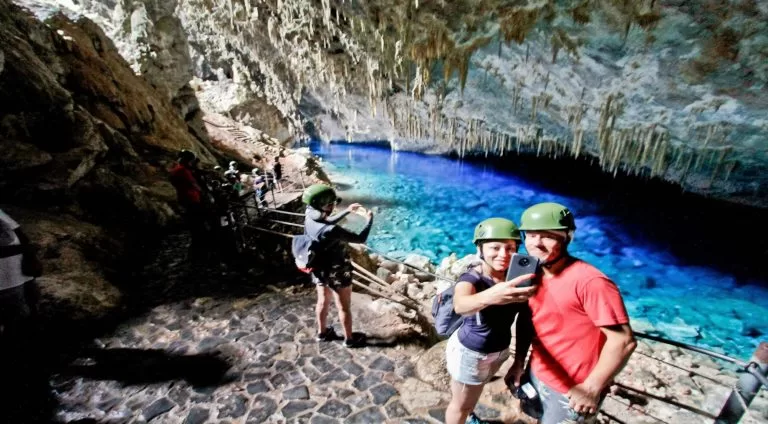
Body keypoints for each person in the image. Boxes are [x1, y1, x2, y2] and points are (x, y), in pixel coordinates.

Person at [518, 202, 636, 423]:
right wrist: (520, 364)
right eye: (531, 235)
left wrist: (592, 388)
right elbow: (533, 321)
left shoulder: (591, 282)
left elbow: (623, 341)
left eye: (547, 236)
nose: (536, 243)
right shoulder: (534, 271)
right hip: (538, 371)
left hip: (573, 389)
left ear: (567, 237)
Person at [445, 218, 538, 424]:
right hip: (470, 354)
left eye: (510, 248)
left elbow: (524, 320)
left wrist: (519, 361)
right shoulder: (473, 278)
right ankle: (464, 415)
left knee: (471, 396)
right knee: (459, 405)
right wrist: (494, 295)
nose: (503, 255)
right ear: (480, 248)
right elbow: (461, 304)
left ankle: (469, 415)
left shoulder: (517, 279)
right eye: (495, 247)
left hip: (499, 351)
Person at [301, 184, 373, 348]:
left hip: (319, 267)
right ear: (326, 205)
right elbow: (360, 238)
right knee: (344, 306)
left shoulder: (309, 216)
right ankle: (349, 339)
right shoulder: (331, 230)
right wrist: (369, 220)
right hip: (337, 269)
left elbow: (325, 220)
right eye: (331, 204)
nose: (333, 206)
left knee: (322, 301)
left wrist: (347, 210)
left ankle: (322, 332)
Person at [0, 208, 40, 340]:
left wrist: (30, 257)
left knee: (30, 311)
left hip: (21, 271)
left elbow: (18, 232)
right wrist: (26, 249)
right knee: (15, 317)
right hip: (5, 280)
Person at [169, 150, 208, 261]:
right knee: (198, 225)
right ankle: (198, 252)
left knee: (194, 225)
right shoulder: (182, 170)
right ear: (187, 160)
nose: (192, 163)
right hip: (192, 200)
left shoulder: (176, 169)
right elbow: (193, 184)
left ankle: (196, 249)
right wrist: (203, 192)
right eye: (191, 161)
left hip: (184, 199)